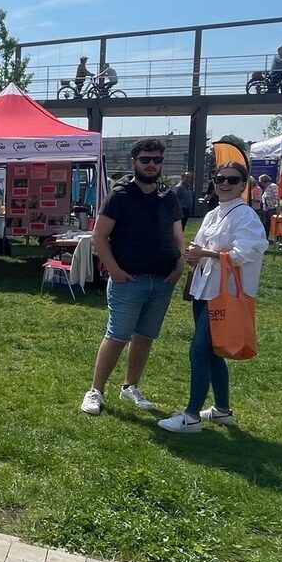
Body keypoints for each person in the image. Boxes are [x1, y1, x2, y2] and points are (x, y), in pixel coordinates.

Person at [158, 161, 267, 432]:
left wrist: (206, 254)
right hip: (204, 289)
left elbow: (247, 253)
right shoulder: (213, 214)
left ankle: (191, 415)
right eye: (220, 179)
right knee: (214, 350)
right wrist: (196, 254)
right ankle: (221, 410)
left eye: (232, 180)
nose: (225, 184)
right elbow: (206, 248)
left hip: (226, 293)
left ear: (243, 185)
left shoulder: (246, 216)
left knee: (199, 349)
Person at [81, 138, 185, 416]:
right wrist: (114, 269)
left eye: (157, 160)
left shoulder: (168, 196)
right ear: (134, 162)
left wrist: (180, 264)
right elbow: (99, 237)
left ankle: (130, 386)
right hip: (129, 279)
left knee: (145, 337)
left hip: (162, 280)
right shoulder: (120, 195)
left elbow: (177, 237)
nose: (151, 165)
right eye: (146, 160)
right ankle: (95, 391)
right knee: (117, 336)